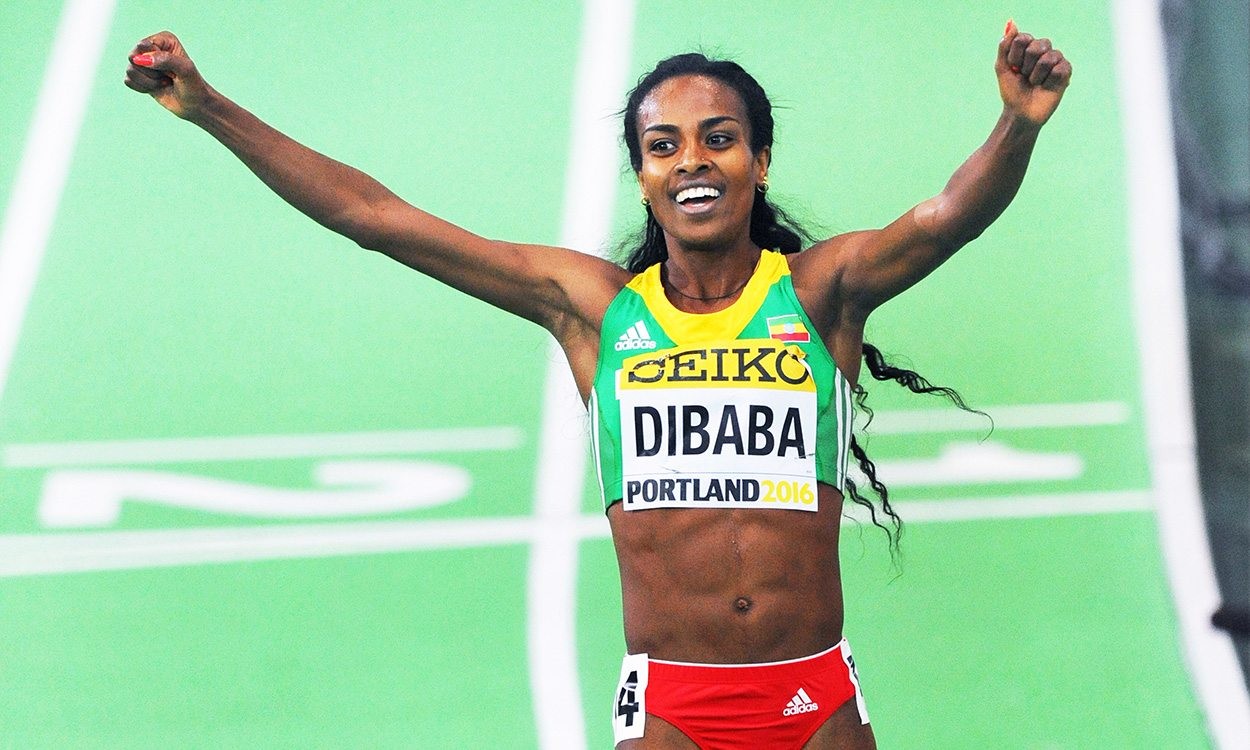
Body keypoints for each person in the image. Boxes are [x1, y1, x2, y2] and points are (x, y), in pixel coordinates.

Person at [125, 21, 1070, 750]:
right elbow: (372, 216)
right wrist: (210, 108)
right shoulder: (594, 310)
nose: (692, 160)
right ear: (642, 175)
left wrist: (1016, 125)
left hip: (812, 696)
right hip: (671, 706)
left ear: (759, 161)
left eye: (719, 138)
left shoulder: (823, 293)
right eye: (664, 145)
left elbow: (948, 217)